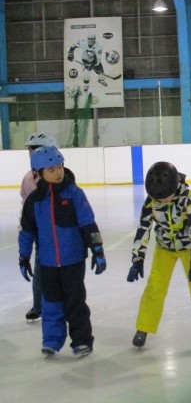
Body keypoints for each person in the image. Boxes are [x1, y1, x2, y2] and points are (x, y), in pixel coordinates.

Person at [18, 146, 106, 357]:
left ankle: (82, 340)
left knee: (75, 302)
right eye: (52, 169)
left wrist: (97, 250)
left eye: (60, 167)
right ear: (38, 173)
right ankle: (51, 340)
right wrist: (23, 257)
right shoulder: (34, 201)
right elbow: (27, 231)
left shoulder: (74, 193)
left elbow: (88, 223)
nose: (58, 172)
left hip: (73, 260)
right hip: (47, 262)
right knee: (50, 303)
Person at [127, 162, 191, 350]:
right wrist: (137, 260)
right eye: (158, 199)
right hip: (164, 248)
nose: (161, 201)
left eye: (165, 198)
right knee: (154, 287)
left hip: (188, 248)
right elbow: (143, 230)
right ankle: (143, 328)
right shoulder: (151, 201)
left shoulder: (189, 199)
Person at [20, 132, 59, 323]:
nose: (30, 154)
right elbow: (27, 206)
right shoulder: (29, 179)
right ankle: (38, 305)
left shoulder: (60, 176)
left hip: (61, 229)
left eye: (32, 150)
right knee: (41, 267)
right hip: (42, 231)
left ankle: (62, 303)